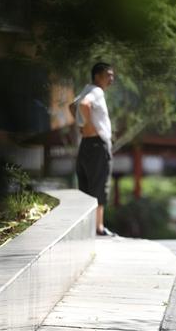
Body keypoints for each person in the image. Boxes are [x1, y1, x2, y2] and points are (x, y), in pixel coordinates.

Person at [70, 62, 115, 236]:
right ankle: (98, 227)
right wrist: (88, 125)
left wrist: (81, 126)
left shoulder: (86, 89)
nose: (111, 79)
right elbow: (83, 105)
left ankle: (89, 228)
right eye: (108, 75)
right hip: (98, 143)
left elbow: (72, 106)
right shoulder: (96, 91)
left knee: (87, 186)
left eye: (112, 75)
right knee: (100, 185)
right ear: (97, 76)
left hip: (86, 144)